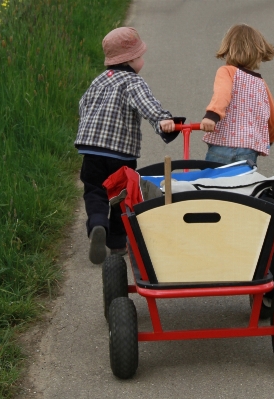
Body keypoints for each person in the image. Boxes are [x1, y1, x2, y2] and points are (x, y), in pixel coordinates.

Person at [74, 26, 177, 264]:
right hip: (120, 152)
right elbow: (148, 106)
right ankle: (118, 243)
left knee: (95, 191)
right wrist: (164, 122)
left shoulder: (99, 80)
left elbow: (83, 105)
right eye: (140, 56)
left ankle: (98, 224)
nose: (142, 60)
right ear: (130, 59)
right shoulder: (133, 82)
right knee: (121, 195)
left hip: (91, 150)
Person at [200, 24, 274, 165]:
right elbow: (273, 119)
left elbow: (222, 94)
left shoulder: (227, 71)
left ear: (228, 48)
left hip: (223, 144)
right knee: (242, 184)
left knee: (213, 183)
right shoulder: (260, 82)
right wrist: (268, 139)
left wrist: (212, 116)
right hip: (249, 148)